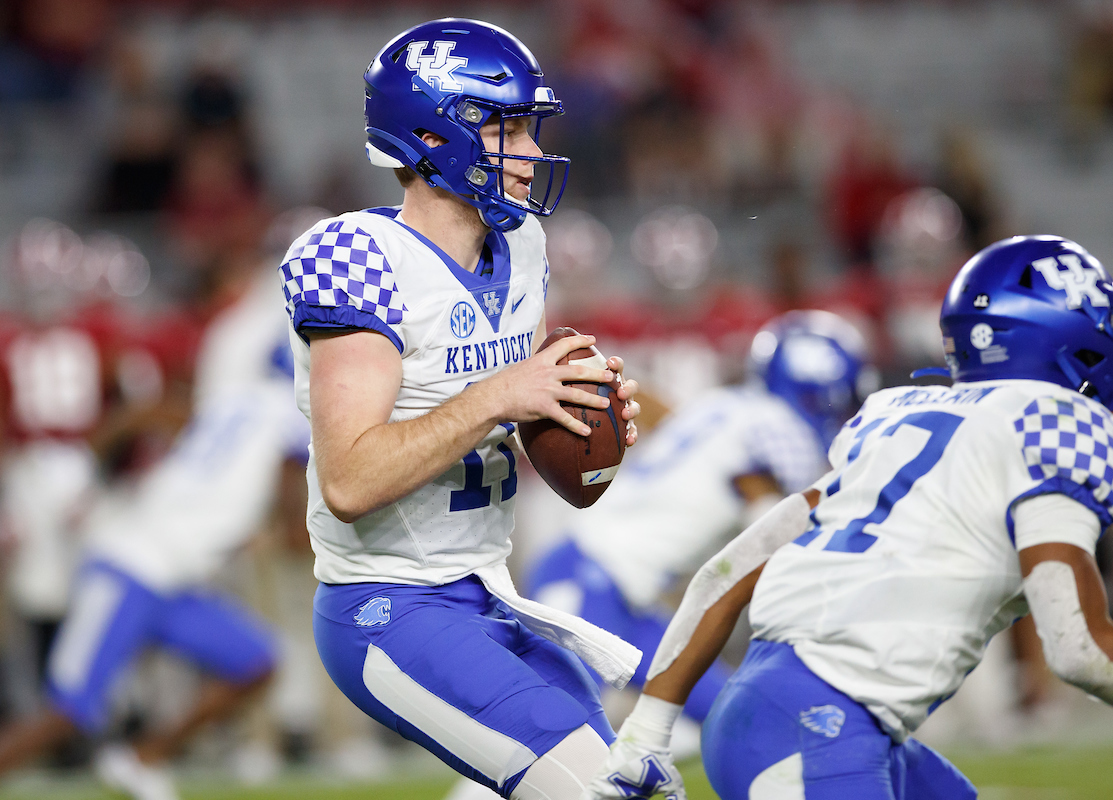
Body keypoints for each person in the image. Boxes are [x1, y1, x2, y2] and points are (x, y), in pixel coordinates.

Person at [584, 235, 1113, 800]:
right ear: (1056, 338)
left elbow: (729, 570)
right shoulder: (1055, 425)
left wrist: (645, 735)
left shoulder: (898, 418)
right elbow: (1082, 647)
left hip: (770, 712)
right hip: (819, 730)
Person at [278, 18, 641, 800]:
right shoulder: (358, 261)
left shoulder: (526, 246)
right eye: (509, 129)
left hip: (486, 589)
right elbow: (349, 480)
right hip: (390, 605)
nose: (534, 154)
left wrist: (577, 419)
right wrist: (504, 393)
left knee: (636, 785)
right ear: (437, 137)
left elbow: (510, 425)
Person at [0, 254, 309, 800]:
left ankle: (140, 760)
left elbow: (144, 414)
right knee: (67, 713)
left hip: (171, 577)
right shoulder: (290, 420)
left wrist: (90, 475)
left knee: (254, 662)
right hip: (133, 566)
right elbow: (293, 530)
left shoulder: (234, 398)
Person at [525, 310, 877, 729]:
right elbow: (774, 526)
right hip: (590, 584)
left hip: (624, 599)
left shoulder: (725, 405)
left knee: (729, 718)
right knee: (551, 739)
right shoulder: (778, 428)